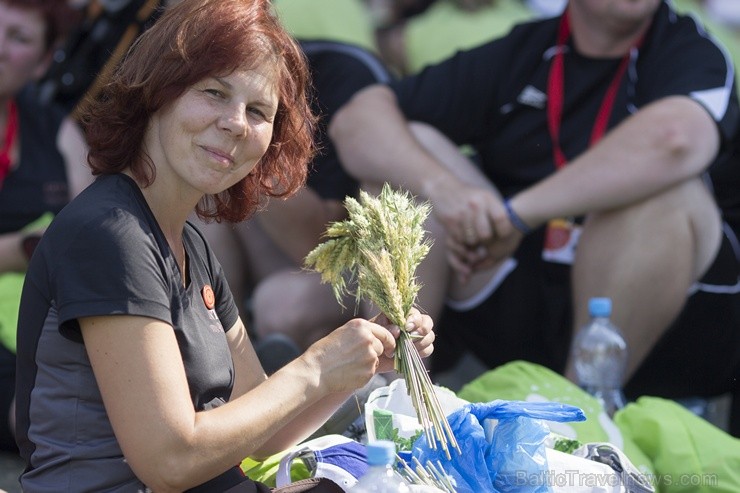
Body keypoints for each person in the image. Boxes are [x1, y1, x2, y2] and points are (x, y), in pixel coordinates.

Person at [14, 1, 435, 492]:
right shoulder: (110, 233)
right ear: (157, 92)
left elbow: (262, 436)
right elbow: (169, 461)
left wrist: (356, 367)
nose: (236, 123)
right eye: (214, 93)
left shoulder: (187, 241)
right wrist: (317, 365)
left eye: (259, 111)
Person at [330, 0, 740, 435]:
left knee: (663, 195)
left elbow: (675, 139)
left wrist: (519, 215)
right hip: (518, 285)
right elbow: (356, 122)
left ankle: (580, 422)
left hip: (672, 334)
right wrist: (448, 192)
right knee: (406, 158)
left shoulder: (688, 49)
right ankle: (397, 402)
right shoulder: (530, 48)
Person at [195, 39, 404, 373]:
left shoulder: (342, 73)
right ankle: (225, 365)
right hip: (275, 264)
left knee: (280, 305)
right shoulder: (190, 75)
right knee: (200, 199)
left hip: (347, 263)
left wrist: (248, 142)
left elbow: (316, 247)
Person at [0, 0, 89, 453]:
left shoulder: (55, 131)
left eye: (18, 38)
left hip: (33, 333)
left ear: (40, 63)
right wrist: (25, 248)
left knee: (45, 416)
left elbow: (98, 230)